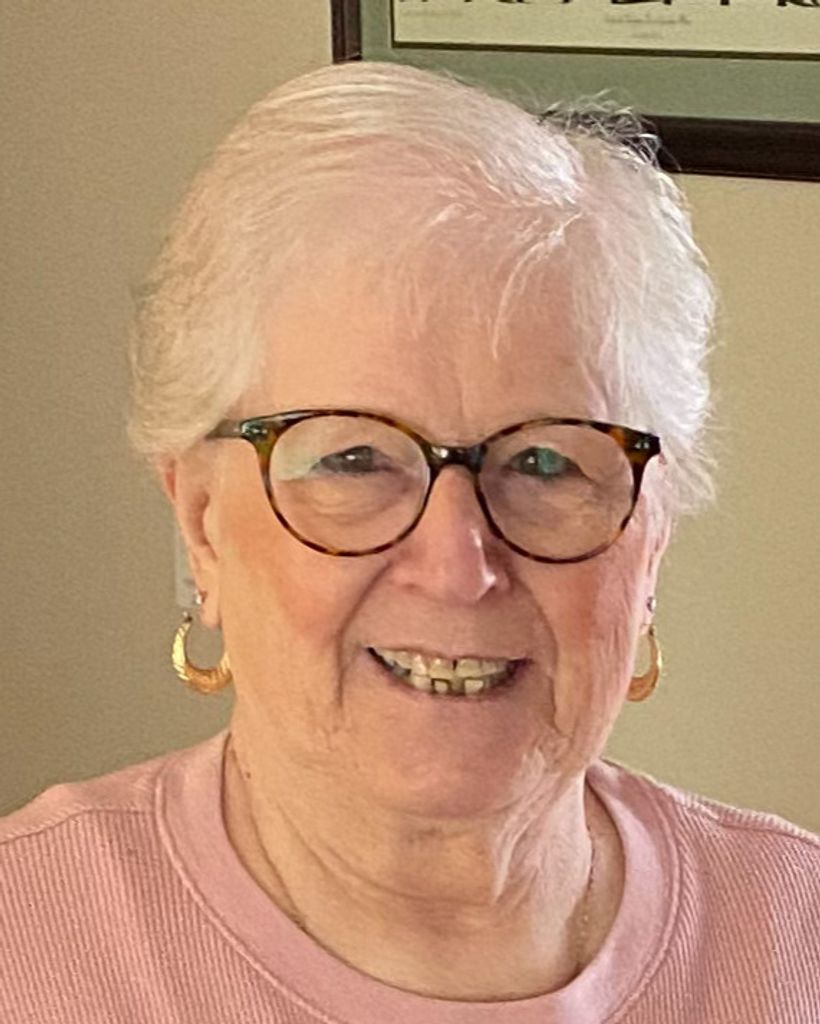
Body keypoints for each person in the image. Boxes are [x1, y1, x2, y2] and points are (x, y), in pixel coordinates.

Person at [1, 59, 817, 1023]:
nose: (458, 566)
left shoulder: (792, 936)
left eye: (546, 463)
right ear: (203, 525)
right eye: (353, 460)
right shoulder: (28, 948)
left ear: (652, 541)